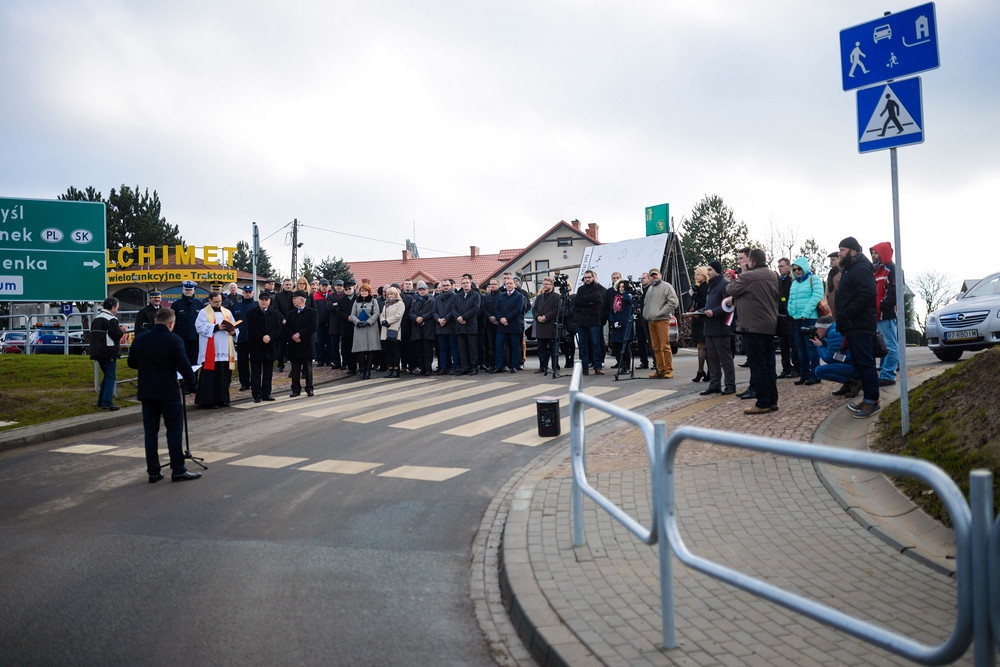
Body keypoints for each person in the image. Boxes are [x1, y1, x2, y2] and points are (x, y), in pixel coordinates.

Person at [126, 308, 201, 483]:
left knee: (150, 433)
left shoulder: (140, 339)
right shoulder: (174, 340)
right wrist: (193, 385)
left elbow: (131, 363)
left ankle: (153, 471)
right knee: (173, 431)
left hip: (147, 391)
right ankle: (178, 470)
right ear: (171, 323)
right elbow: (184, 366)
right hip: (168, 391)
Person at [727, 249, 779, 415]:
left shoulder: (748, 276)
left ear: (752, 261)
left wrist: (743, 273)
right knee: (769, 364)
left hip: (753, 326)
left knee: (758, 366)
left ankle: (762, 402)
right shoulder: (772, 275)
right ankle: (772, 401)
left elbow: (731, 289)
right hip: (769, 326)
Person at [835, 237, 881, 418]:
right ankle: (867, 399)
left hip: (860, 324)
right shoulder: (851, 267)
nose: (839, 253)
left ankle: (872, 402)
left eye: (842, 250)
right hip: (853, 325)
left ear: (853, 251)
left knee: (866, 363)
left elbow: (869, 293)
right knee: (861, 364)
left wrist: (848, 312)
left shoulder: (861, 268)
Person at [699, 261, 736, 396]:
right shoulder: (711, 285)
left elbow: (728, 306)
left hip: (721, 328)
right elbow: (711, 304)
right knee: (712, 358)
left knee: (725, 358)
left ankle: (730, 385)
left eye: (709, 270)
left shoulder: (725, 284)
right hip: (709, 327)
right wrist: (700, 311)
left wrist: (714, 312)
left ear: (717, 271)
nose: (707, 272)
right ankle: (715, 385)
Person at [194, 291, 237, 408]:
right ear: (210, 301)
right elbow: (199, 327)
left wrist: (234, 331)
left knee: (223, 375)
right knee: (210, 376)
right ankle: (208, 401)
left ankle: (222, 399)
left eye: (220, 301)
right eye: (215, 302)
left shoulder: (227, 312)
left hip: (225, 348)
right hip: (210, 350)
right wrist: (216, 327)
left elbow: (234, 326)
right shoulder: (203, 312)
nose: (218, 304)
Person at [788, 257, 825, 386]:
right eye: (794, 269)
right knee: (800, 348)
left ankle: (815, 375)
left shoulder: (813, 279)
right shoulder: (794, 283)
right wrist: (791, 312)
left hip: (810, 318)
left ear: (804, 268)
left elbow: (817, 296)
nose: (797, 271)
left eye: (799, 268)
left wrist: (806, 313)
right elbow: (791, 299)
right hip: (797, 319)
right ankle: (804, 374)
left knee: (811, 347)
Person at [89, 296, 128, 411]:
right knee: (111, 377)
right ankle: (107, 402)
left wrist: (117, 328)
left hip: (97, 352)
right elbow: (115, 335)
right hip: (108, 352)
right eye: (117, 307)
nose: (117, 310)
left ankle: (101, 401)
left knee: (107, 376)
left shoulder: (97, 318)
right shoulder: (111, 319)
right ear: (113, 307)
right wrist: (122, 330)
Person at [810, 316, 861, 398]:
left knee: (819, 371)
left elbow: (828, 358)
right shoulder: (835, 330)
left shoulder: (834, 333)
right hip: (854, 363)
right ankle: (847, 385)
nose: (816, 331)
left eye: (817, 329)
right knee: (833, 364)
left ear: (824, 328)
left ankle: (853, 382)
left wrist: (819, 346)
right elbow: (837, 356)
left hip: (856, 367)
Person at [871, 241, 899, 387]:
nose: (874, 256)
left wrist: (881, 306)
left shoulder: (892, 269)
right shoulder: (875, 271)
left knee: (890, 345)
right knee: (881, 345)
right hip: (875, 314)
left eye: (876, 253)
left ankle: (888, 375)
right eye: (873, 253)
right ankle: (884, 372)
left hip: (886, 314)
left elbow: (894, 292)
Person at [246, 291, 283, 402]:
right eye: (262, 300)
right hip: (256, 345)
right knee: (256, 372)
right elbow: (251, 328)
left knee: (268, 373)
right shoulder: (251, 313)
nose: (263, 302)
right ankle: (256, 395)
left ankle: (266, 394)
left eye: (266, 300)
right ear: (259, 300)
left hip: (270, 346)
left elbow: (278, 328)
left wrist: (270, 337)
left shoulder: (275, 313)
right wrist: (262, 337)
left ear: (269, 301)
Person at [642, 268, 679, 379]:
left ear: (660, 275)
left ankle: (668, 369)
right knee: (655, 347)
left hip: (662, 320)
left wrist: (661, 312)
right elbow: (646, 303)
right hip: (651, 320)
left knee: (665, 346)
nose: (654, 277)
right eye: (652, 276)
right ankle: (660, 369)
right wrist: (646, 314)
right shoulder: (650, 289)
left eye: (656, 275)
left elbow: (674, 302)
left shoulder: (666, 286)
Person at [284, 291, 318, 396]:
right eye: (293, 299)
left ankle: (309, 388)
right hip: (294, 344)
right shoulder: (290, 313)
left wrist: (300, 334)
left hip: (306, 343)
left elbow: (313, 326)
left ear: (302, 300)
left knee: (307, 368)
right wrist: (293, 336)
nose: (293, 301)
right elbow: (286, 327)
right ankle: (295, 389)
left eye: (295, 299)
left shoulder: (312, 312)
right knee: (295, 369)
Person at [491, 275, 525, 373]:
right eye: (507, 284)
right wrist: (501, 318)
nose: (509, 285)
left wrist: (507, 319)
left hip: (514, 325)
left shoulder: (519, 296)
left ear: (515, 285)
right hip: (502, 326)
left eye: (510, 283)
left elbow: (518, 310)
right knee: (499, 345)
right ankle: (499, 366)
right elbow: (496, 309)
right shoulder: (501, 295)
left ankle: (514, 365)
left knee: (515, 346)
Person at [574, 270, 605, 375]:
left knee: (596, 344)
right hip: (581, 321)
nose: (587, 279)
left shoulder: (598, 288)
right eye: (585, 277)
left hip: (594, 320)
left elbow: (598, 297)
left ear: (593, 278)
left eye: (589, 277)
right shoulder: (581, 289)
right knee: (582, 345)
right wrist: (589, 302)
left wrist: (585, 301)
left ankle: (598, 366)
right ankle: (584, 368)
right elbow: (577, 301)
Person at [228, 285, 257, 391]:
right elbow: (231, 323)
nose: (248, 293)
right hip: (241, 339)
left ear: (253, 293)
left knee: (255, 362)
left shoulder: (257, 305)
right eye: (246, 292)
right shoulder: (236, 307)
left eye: (250, 292)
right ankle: (244, 383)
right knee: (242, 363)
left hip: (255, 339)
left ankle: (255, 382)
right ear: (243, 293)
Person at [350, 283, 382, 380]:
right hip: (359, 328)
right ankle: (362, 370)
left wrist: (368, 322)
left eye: (365, 291)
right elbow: (353, 314)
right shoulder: (356, 302)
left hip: (370, 328)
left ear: (369, 292)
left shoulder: (373, 301)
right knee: (361, 351)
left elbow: (376, 313)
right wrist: (358, 322)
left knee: (370, 351)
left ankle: (368, 371)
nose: (363, 293)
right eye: (362, 291)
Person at [775, 258, 798, 379]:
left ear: (788, 267)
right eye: (778, 266)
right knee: (783, 344)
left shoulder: (792, 281)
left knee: (793, 344)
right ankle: (786, 368)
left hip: (791, 317)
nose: (780, 268)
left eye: (782, 266)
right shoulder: (777, 281)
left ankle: (796, 367)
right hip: (780, 317)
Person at [532, 277, 561, 376]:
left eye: (547, 284)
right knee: (541, 348)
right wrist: (538, 317)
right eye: (544, 284)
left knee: (553, 349)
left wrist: (546, 317)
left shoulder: (557, 297)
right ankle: (542, 366)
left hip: (551, 325)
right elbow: (534, 309)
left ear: (552, 286)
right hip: (540, 325)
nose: (545, 286)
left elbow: (556, 310)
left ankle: (555, 367)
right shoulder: (539, 297)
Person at [170, 280, 203, 364]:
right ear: (183, 290)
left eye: (190, 290)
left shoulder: (199, 304)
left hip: (196, 339)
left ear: (194, 290)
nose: (188, 291)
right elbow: (172, 322)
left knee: (195, 362)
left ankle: (194, 377)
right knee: (182, 362)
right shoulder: (176, 305)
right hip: (181, 339)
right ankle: (183, 377)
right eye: (186, 289)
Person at [454, 276, 481, 375]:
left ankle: (473, 367)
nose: (465, 284)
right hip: (460, 326)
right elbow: (453, 309)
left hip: (470, 325)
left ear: (470, 283)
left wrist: (464, 317)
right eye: (463, 283)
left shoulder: (475, 295)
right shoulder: (458, 296)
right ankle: (464, 367)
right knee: (462, 348)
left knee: (472, 348)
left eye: (467, 282)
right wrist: (458, 318)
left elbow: (475, 309)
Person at [687, 266, 710, 382]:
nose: (696, 276)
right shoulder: (701, 287)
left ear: (704, 275)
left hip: (702, 319)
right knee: (703, 347)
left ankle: (702, 371)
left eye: (698, 274)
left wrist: (694, 295)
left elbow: (703, 302)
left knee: (702, 347)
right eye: (695, 274)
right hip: (699, 319)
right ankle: (705, 371)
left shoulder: (706, 287)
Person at [409, 282, 436, 375]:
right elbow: (411, 313)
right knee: (419, 351)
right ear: (418, 291)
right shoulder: (414, 301)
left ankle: (428, 369)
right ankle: (423, 368)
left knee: (428, 351)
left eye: (424, 289)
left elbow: (433, 312)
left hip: (428, 329)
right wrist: (416, 318)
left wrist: (423, 317)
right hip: (417, 329)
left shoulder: (432, 300)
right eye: (420, 290)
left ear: (427, 290)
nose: (422, 291)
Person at [433, 278, 459, 374]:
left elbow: (454, 310)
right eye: (444, 286)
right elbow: (434, 311)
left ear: (450, 286)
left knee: (453, 348)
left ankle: (454, 366)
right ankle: (444, 367)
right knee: (442, 348)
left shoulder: (455, 296)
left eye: (447, 285)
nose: (445, 287)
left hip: (451, 326)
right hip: (440, 327)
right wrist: (439, 319)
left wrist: (445, 319)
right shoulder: (437, 298)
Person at [608, 279, 634, 371]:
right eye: (620, 287)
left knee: (625, 346)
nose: (621, 289)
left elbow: (629, 301)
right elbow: (612, 311)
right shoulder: (616, 297)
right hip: (616, 324)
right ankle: (621, 364)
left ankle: (627, 366)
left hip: (625, 324)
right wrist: (613, 322)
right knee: (617, 346)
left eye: (623, 287)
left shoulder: (628, 296)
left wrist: (626, 292)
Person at [380, 286, 405, 377]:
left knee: (395, 350)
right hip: (385, 329)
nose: (390, 296)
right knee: (387, 350)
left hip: (394, 328)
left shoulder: (400, 303)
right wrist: (382, 320)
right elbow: (382, 314)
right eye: (388, 294)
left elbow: (398, 315)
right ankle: (390, 368)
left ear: (396, 294)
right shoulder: (386, 303)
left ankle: (396, 368)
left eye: (392, 294)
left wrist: (388, 321)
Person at [273, 278, 295, 372]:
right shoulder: (278, 296)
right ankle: (280, 365)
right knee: (281, 346)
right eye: (286, 284)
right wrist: (283, 319)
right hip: (281, 324)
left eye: (290, 284)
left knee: (293, 346)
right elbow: (276, 309)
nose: (288, 286)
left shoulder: (295, 295)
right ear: (283, 285)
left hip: (293, 324)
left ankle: (294, 366)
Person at [313, 279, 332, 366]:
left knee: (329, 342)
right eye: (323, 286)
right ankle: (320, 360)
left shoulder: (331, 295)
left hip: (330, 323)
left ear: (329, 286)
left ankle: (329, 359)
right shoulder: (315, 296)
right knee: (320, 342)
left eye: (326, 286)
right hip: (320, 323)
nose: (324, 287)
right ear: (319, 286)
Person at [825, 252, 841, 319]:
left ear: (839, 260)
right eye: (830, 260)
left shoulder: (842, 273)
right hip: (830, 306)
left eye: (833, 260)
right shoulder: (830, 274)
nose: (831, 262)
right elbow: (826, 292)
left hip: (839, 306)